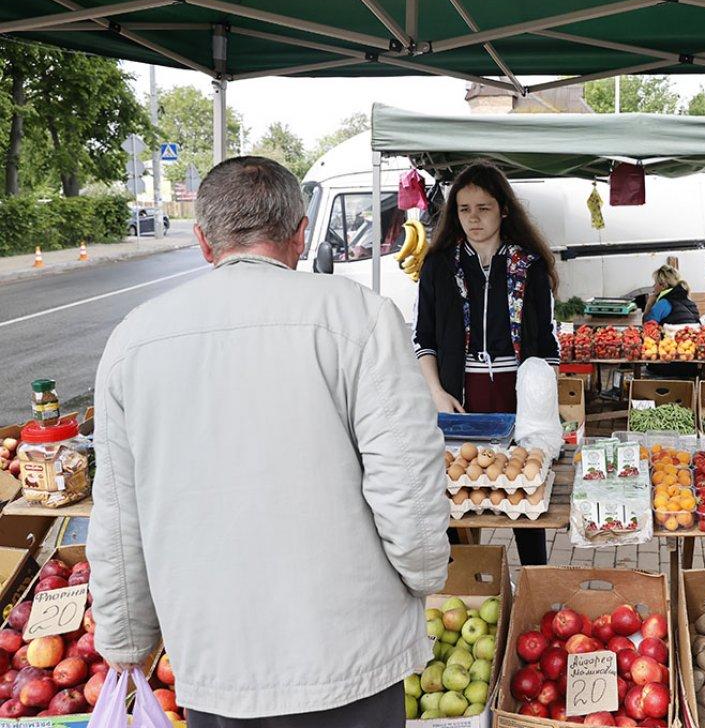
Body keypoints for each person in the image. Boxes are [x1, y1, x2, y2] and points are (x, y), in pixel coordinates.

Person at [88, 157, 450, 727]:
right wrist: (426, 574)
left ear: (203, 241)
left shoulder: (133, 340)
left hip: (216, 661)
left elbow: (117, 514)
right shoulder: (359, 317)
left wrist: (125, 638)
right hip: (349, 654)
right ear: (302, 234)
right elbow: (407, 479)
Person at [413, 161, 559, 565]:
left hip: (516, 395)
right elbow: (422, 338)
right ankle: (464, 578)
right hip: (458, 398)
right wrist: (436, 392)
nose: (473, 218)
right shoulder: (438, 266)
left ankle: (533, 578)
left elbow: (547, 344)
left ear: (504, 210)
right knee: (457, 494)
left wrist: (541, 406)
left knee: (524, 494)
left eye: (484, 208)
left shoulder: (529, 268)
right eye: (464, 209)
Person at [643, 264, 703, 379]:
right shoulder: (691, 303)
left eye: (655, 283)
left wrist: (649, 303)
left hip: (666, 365)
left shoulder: (663, 303)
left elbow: (647, 328)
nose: (653, 286)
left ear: (662, 285)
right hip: (691, 365)